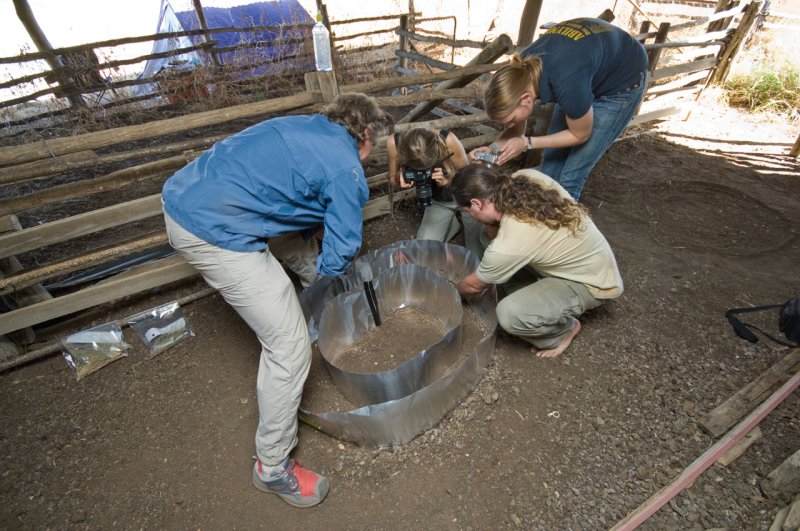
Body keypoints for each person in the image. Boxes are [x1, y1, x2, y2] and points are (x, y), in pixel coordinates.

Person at [161, 93, 391, 508]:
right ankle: (272, 467)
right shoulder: (345, 168)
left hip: (189, 193)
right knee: (289, 345)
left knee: (301, 250)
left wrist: (320, 242)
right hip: (213, 229)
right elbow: (341, 249)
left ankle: (316, 302)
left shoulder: (307, 126)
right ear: (366, 133)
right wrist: (333, 263)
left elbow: (294, 195)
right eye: (372, 146)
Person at [451, 163, 623, 358]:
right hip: (588, 256)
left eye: (466, 211)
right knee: (486, 236)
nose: (469, 215)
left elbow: (472, 287)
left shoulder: (510, 243)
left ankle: (563, 331)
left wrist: (452, 291)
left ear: (476, 203)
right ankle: (535, 298)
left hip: (592, 281)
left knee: (510, 314)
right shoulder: (525, 177)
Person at [471, 17, 648, 201]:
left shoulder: (566, 84)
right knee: (550, 168)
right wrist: (492, 149)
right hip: (584, 68)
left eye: (510, 120)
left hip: (621, 80)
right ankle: (544, 218)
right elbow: (516, 128)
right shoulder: (519, 74)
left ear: (525, 99)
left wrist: (527, 143)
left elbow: (580, 135)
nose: (509, 125)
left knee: (569, 177)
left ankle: (560, 227)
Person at [387, 126, 483, 258]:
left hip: (465, 197)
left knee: (477, 254)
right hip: (440, 200)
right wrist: (398, 180)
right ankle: (452, 224)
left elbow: (468, 176)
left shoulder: (448, 140)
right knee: (423, 252)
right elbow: (392, 180)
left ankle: (458, 221)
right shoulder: (394, 143)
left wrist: (449, 180)